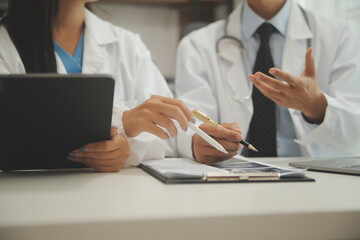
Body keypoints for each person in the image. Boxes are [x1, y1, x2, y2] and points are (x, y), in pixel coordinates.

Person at [0, 0, 194, 172]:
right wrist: (122, 123)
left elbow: (171, 137)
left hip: (116, 197)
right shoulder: (5, 45)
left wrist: (127, 148)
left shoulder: (128, 45)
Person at [175, 0, 360, 163]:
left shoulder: (341, 36)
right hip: (232, 176)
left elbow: (354, 130)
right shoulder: (196, 45)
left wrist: (317, 107)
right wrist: (196, 142)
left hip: (318, 176)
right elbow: (189, 124)